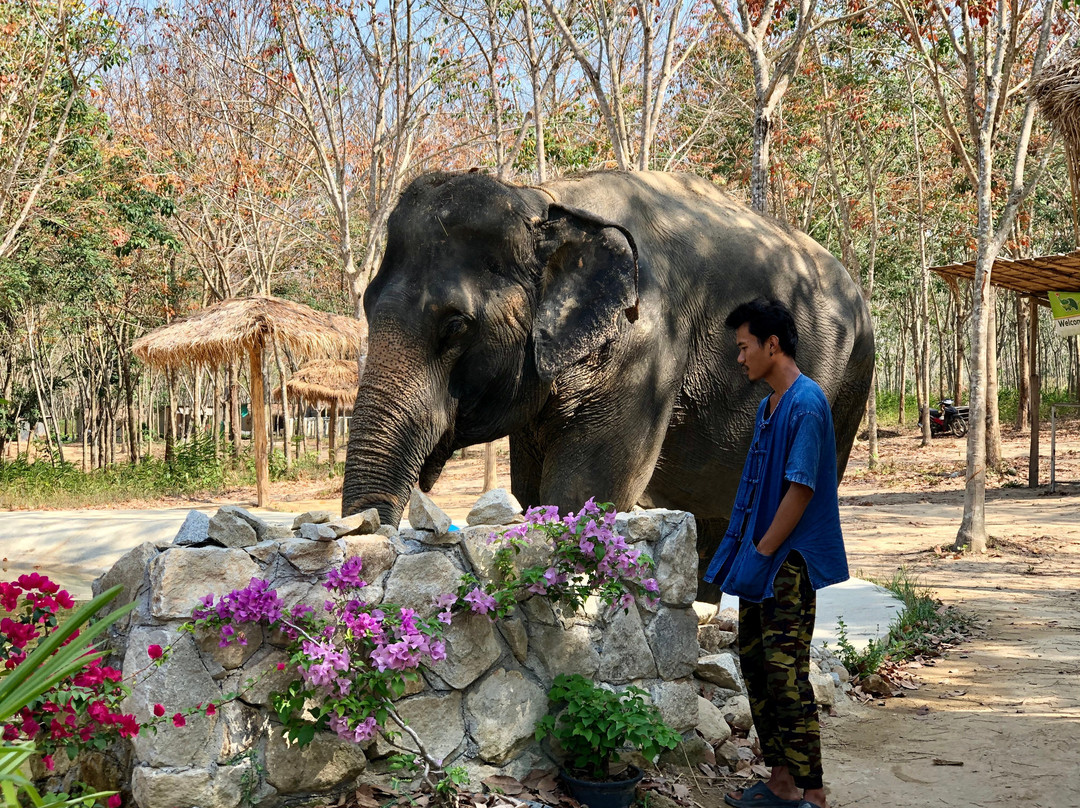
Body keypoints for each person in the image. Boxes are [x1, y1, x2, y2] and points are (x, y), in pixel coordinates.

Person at [703, 298, 849, 808]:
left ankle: (814, 792)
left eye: (743, 348)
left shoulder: (806, 404)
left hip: (786, 562)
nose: (739, 358)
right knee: (756, 664)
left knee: (786, 673)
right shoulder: (769, 406)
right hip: (761, 561)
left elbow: (801, 488)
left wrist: (763, 551)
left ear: (772, 344)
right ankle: (781, 780)